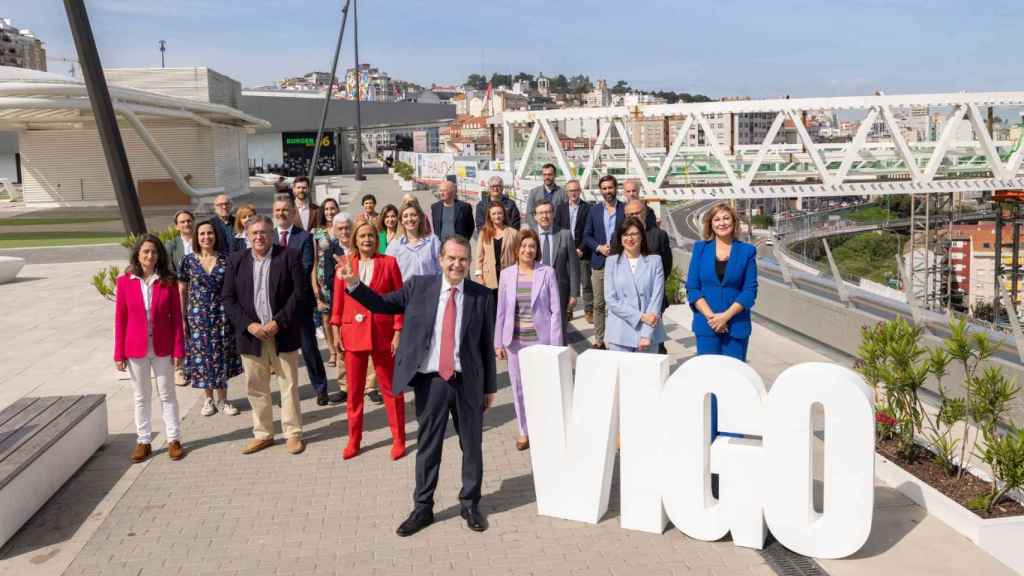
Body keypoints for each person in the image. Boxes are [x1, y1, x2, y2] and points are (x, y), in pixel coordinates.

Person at [337, 236, 496, 536]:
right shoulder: (419, 287)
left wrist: (490, 387)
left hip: (468, 383)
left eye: (462, 259)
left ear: (469, 262)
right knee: (428, 446)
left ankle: (470, 504)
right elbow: (382, 304)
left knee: (472, 446)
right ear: (440, 259)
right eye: (451, 258)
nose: (456, 264)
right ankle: (423, 508)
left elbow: (486, 345)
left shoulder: (482, 296)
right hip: (432, 381)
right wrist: (354, 284)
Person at [222, 215, 307, 455]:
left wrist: (278, 322)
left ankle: (292, 433)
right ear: (247, 236)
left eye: (264, 232)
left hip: (283, 332)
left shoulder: (288, 256)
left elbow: (299, 293)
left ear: (272, 234)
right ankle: (264, 433)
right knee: (256, 386)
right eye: (255, 233)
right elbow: (228, 299)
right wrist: (249, 325)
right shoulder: (236, 261)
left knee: (288, 385)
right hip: (251, 335)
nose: (259, 236)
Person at [330, 221, 406, 460]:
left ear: (377, 239)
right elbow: (338, 302)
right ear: (355, 239)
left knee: (391, 390)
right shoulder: (344, 264)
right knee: (354, 392)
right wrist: (336, 331)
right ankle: (354, 440)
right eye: (362, 236)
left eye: (371, 236)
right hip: (353, 335)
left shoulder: (389, 263)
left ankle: (398, 438)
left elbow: (399, 300)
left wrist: (398, 330)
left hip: (382, 335)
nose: (367, 240)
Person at [685, 202, 758, 438]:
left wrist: (725, 316)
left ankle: (733, 436)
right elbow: (693, 288)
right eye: (717, 219)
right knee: (709, 383)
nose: (722, 223)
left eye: (726, 218)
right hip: (707, 327)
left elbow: (749, 291)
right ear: (710, 224)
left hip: (735, 326)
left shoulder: (746, 252)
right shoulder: (700, 249)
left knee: (733, 384)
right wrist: (712, 317)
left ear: (734, 222)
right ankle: (709, 435)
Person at [114, 234, 185, 463]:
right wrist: (119, 353)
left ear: (159, 255)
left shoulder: (168, 281)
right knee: (141, 396)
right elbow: (120, 318)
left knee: (167, 394)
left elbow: (176, 319)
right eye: (145, 251)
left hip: (162, 347)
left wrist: (179, 350)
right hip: (135, 348)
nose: (150, 256)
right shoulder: (125, 281)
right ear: (137, 254)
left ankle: (173, 439)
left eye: (154, 252)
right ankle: (144, 441)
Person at [494, 229, 562, 451]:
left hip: (541, 342)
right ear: (517, 249)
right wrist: (498, 342)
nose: (527, 250)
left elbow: (555, 311)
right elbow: (501, 311)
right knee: (519, 387)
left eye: (532, 246)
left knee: (542, 388)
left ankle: (543, 428)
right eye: (524, 246)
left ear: (537, 249)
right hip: (514, 342)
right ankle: (524, 430)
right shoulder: (506, 274)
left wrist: (555, 346)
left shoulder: (547, 272)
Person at [180, 220, 242, 416]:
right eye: (202, 234)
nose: (206, 237)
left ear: (216, 236)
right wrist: (182, 318)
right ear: (197, 238)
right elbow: (182, 290)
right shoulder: (188, 260)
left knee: (221, 356)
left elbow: (234, 289)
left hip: (222, 315)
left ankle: (223, 400)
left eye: (210, 233)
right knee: (202, 358)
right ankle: (208, 399)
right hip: (197, 317)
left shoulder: (226, 259)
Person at [272, 197, 330, 406]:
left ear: (292, 212)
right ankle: (287, 393)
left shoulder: (304, 237)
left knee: (309, 348)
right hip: (276, 306)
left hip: (300, 302)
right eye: (278, 210)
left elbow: (305, 268)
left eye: (285, 210)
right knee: (282, 352)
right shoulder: (269, 237)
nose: (281, 213)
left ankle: (321, 388)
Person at [604, 217, 667, 353]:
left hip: (649, 330)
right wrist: (641, 317)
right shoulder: (611, 262)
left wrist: (646, 333)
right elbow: (610, 299)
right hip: (620, 332)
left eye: (634, 234)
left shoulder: (655, 261)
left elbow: (656, 299)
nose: (630, 238)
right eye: (625, 234)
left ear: (642, 236)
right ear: (620, 238)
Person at [625, 199, 673, 353]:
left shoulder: (659, 235)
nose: (634, 216)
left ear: (644, 213)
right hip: (628, 299)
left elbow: (667, 265)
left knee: (655, 339)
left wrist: (654, 288)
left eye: (637, 213)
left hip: (653, 296)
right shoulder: (619, 237)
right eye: (630, 214)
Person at [583, 175, 625, 349]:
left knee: (620, 303)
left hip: (620, 261)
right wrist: (599, 248)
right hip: (599, 261)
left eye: (610, 187)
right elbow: (586, 235)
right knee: (599, 304)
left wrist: (616, 249)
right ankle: (599, 340)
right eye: (604, 188)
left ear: (616, 188)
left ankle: (619, 337)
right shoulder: (594, 211)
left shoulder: (624, 209)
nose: (608, 191)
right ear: (600, 190)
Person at [533, 199, 579, 338]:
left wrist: (574, 293)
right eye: (541, 213)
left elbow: (573, 265)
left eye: (547, 212)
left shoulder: (565, 234)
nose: (544, 216)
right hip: (536, 289)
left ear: (553, 214)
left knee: (560, 328)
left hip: (560, 289)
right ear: (535, 216)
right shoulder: (530, 235)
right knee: (538, 327)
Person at [556, 179, 593, 324]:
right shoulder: (560, 208)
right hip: (565, 251)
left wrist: (581, 248)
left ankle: (589, 310)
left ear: (580, 191)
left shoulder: (588, 208)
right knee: (567, 282)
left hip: (582, 251)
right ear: (567, 192)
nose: (573, 193)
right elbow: (558, 229)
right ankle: (568, 310)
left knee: (586, 282)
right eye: (571, 191)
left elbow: (589, 231)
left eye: (576, 190)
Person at [311, 198, 342, 368]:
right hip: (324, 281)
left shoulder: (344, 228)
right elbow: (314, 260)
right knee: (326, 317)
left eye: (333, 208)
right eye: (327, 209)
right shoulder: (317, 233)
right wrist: (315, 286)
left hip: (341, 279)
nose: (330, 212)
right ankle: (332, 351)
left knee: (343, 317)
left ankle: (343, 348)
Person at [473, 203, 517, 303]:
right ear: (490, 217)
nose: (497, 216)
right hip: (489, 276)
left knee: (507, 305)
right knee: (491, 307)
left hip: (508, 275)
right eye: (494, 214)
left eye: (499, 213)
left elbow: (518, 256)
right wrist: (479, 276)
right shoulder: (484, 233)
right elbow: (479, 256)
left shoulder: (513, 233)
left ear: (504, 215)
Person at [387, 203, 441, 280]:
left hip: (429, 290)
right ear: (401, 221)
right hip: (405, 290)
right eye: (405, 216)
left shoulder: (433, 241)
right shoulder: (394, 245)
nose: (410, 219)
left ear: (419, 218)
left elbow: (441, 268)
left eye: (413, 215)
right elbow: (389, 273)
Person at [526, 163, 567, 230]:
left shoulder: (563, 193)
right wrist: (536, 229)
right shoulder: (533, 192)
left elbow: (565, 214)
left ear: (555, 175)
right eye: (544, 175)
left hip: (557, 231)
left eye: (549, 174)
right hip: (538, 232)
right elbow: (529, 214)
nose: (547, 177)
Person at [165, 209, 195, 274]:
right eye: (182, 222)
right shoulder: (171, 245)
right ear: (177, 227)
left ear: (194, 223)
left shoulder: (203, 241)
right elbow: (168, 268)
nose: (186, 224)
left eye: (189, 221)